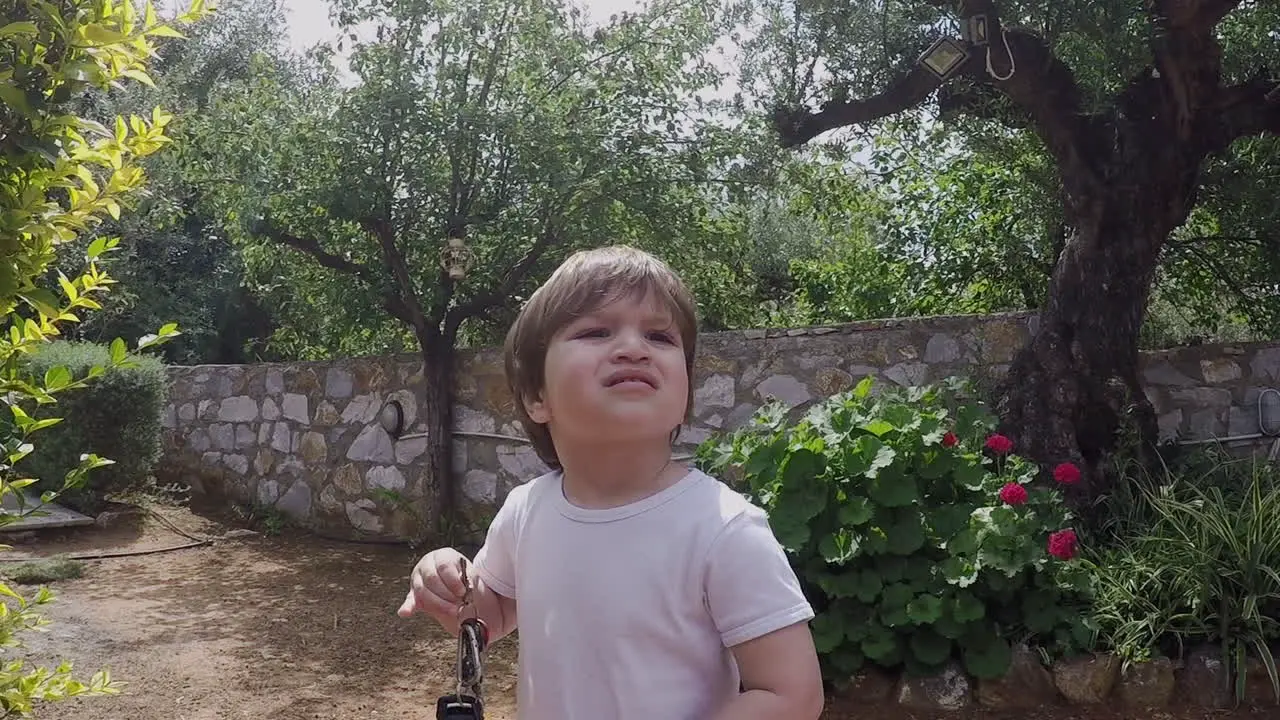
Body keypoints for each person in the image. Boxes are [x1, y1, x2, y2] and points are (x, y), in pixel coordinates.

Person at [397, 245, 823, 719]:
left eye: (661, 337)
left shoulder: (723, 528)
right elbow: (490, 617)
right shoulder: (526, 510)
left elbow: (791, 694)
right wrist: (449, 580)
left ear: (684, 397)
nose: (634, 348)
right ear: (538, 396)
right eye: (596, 330)